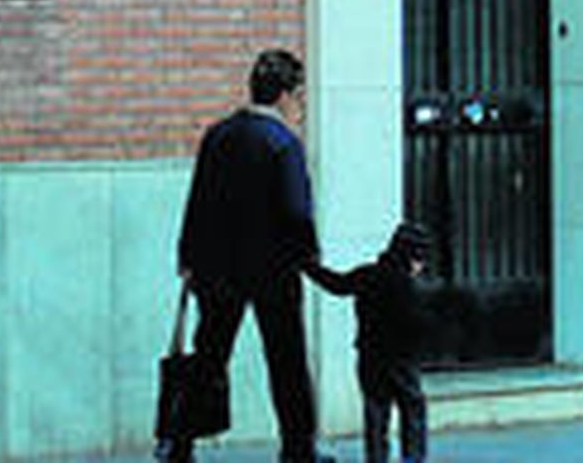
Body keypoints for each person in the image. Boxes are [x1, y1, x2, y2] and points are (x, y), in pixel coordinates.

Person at [167, 49, 334, 463]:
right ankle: (298, 449)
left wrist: (187, 256)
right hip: (273, 270)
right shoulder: (283, 144)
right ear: (284, 95)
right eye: (298, 96)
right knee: (287, 361)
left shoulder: (218, 135)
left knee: (208, 359)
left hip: (217, 269)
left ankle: (179, 444)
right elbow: (297, 210)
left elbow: (198, 201)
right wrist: (309, 255)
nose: (299, 107)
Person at [307, 221, 432, 463]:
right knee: (413, 407)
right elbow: (417, 324)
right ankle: (412, 458)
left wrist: (309, 267)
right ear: (413, 258)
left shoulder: (368, 274)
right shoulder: (407, 285)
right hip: (400, 359)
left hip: (369, 356)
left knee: (376, 411)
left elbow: (337, 284)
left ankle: (376, 458)